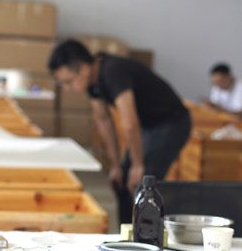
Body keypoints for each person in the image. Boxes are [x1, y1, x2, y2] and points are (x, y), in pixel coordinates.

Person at [48, 39, 191, 224]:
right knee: (121, 181)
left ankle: (147, 235)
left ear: (84, 68)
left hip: (172, 123)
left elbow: (130, 122)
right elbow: (103, 121)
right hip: (148, 126)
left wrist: (138, 165)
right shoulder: (93, 84)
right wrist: (115, 165)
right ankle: (126, 233)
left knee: (143, 183)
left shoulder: (113, 71)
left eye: (68, 82)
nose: (68, 88)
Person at [203, 62, 242, 127]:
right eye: (214, 83)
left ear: (229, 77)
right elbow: (215, 107)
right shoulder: (217, 87)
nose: (218, 86)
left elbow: (238, 116)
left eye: (219, 82)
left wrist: (218, 109)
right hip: (238, 124)